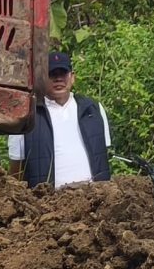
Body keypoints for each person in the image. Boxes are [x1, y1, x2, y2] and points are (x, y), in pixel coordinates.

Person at [8, 52, 110, 189]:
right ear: (42, 78)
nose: (58, 79)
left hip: (95, 198)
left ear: (72, 77)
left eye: (63, 74)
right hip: (49, 205)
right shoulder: (27, 115)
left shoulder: (93, 110)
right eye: (52, 74)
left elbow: (102, 156)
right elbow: (16, 170)